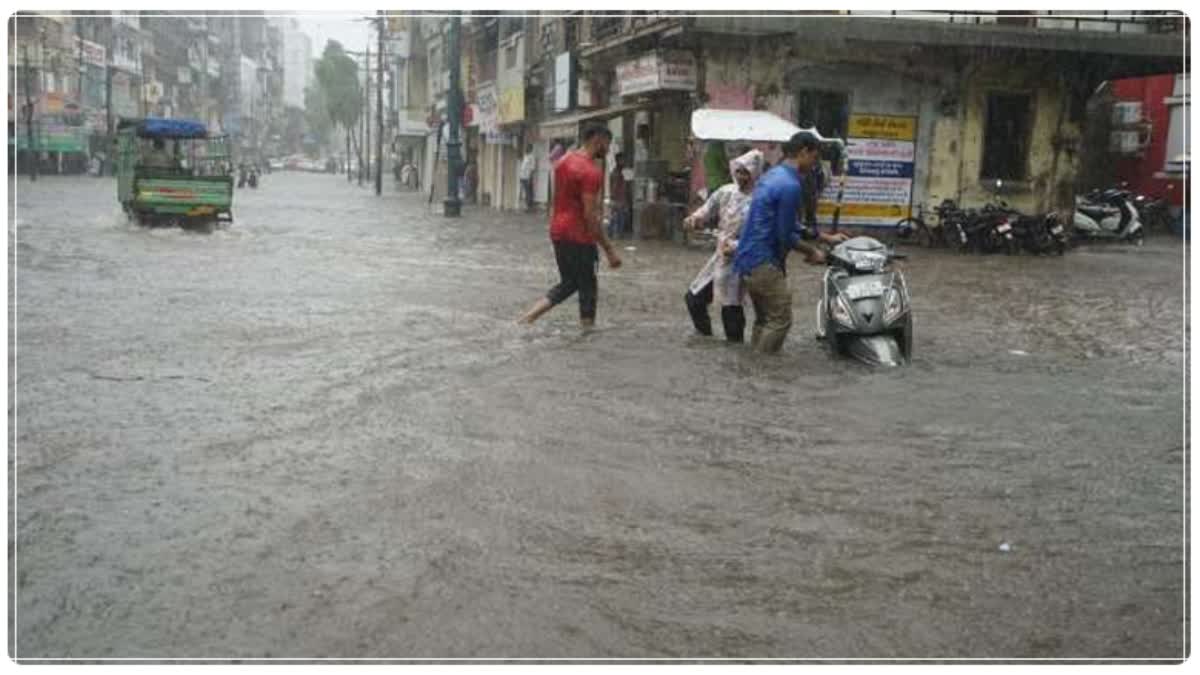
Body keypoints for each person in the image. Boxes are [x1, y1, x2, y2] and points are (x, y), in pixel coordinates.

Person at [732, 131, 845, 354]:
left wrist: (824, 237)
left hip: (746, 260)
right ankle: (762, 369)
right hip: (764, 261)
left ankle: (752, 371)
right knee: (780, 319)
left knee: (765, 320)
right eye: (815, 158)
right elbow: (785, 236)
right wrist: (812, 252)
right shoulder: (791, 186)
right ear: (804, 152)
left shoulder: (772, 176)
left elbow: (789, 224)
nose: (814, 165)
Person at [518, 124, 622, 328]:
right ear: (598, 140)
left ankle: (528, 318)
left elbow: (556, 199)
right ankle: (587, 334)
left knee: (570, 282)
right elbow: (590, 216)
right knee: (588, 288)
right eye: (607, 144)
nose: (608, 150)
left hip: (558, 232)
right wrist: (609, 250)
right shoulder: (590, 172)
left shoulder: (563, 161)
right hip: (579, 236)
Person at [682, 149, 764, 343]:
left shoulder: (761, 200)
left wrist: (736, 247)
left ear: (755, 174)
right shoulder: (726, 191)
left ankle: (735, 347)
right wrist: (694, 219)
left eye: (746, 173)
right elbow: (707, 209)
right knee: (693, 298)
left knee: (731, 305)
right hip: (720, 256)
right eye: (739, 171)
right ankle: (705, 339)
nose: (741, 176)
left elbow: (760, 234)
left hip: (741, 258)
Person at [607, 151, 630, 240]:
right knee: (617, 219)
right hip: (618, 200)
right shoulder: (616, 174)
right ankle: (615, 237)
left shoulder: (618, 173)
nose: (624, 162)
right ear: (618, 160)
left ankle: (614, 236)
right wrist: (620, 200)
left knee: (617, 219)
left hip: (618, 200)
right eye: (622, 160)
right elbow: (615, 188)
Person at [519, 144, 537, 212]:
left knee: (528, 192)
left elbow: (532, 169)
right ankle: (527, 206)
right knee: (525, 192)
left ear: (530, 149)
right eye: (526, 147)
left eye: (528, 148)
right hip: (523, 176)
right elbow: (523, 167)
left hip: (528, 177)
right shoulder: (525, 156)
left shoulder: (532, 157)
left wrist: (530, 178)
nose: (526, 149)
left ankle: (529, 207)